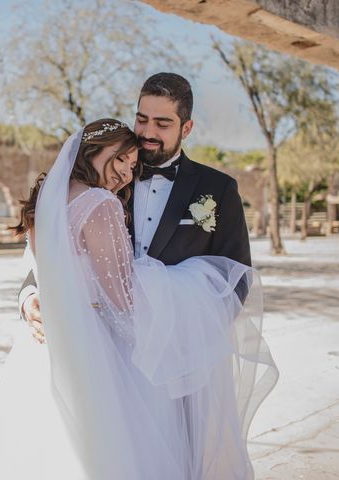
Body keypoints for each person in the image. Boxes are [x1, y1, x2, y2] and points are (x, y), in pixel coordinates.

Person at [0, 114, 278, 478]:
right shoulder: (101, 202)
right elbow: (122, 298)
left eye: (133, 166)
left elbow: (54, 269)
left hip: (43, 349)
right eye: (121, 159)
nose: (128, 174)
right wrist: (164, 325)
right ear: (95, 149)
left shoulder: (46, 203)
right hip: (95, 347)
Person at [19, 72, 252, 343]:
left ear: (186, 129)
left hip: (179, 347)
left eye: (162, 124)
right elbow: (53, 244)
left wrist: (193, 341)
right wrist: (28, 297)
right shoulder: (103, 181)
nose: (148, 132)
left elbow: (236, 279)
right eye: (142, 120)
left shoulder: (219, 188)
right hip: (101, 346)